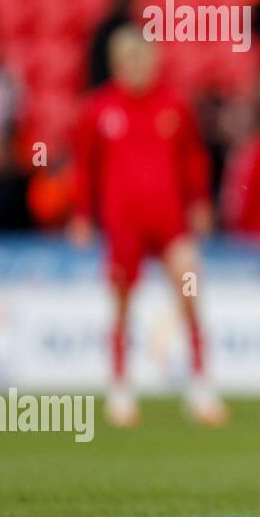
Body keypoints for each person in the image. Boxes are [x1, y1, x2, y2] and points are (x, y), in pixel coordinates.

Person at [70, 27, 226, 427]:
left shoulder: (174, 106)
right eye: (128, 61)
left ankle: (201, 387)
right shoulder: (99, 110)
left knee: (190, 287)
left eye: (143, 59)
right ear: (117, 65)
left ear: (154, 61)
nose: (136, 68)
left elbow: (193, 158)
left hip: (170, 222)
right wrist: (83, 214)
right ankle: (120, 389)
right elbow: (85, 168)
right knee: (122, 305)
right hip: (124, 225)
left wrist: (200, 202)